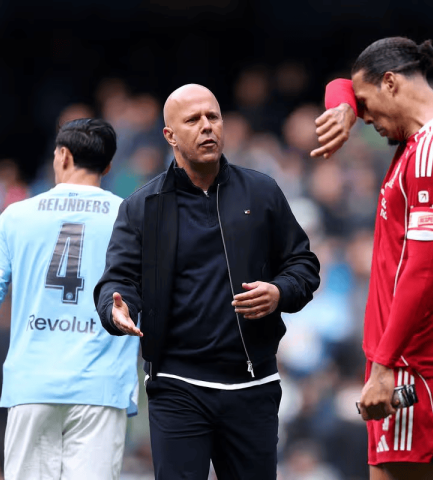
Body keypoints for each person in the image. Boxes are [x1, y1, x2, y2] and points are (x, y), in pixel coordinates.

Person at [94, 84, 320, 479]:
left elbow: (303, 265)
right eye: (193, 120)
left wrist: (279, 291)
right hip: (177, 386)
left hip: (252, 385)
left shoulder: (261, 192)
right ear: (170, 135)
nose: (207, 126)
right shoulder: (142, 207)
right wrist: (117, 309)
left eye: (213, 116)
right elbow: (119, 280)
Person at [312, 37, 433, 480]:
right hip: (406, 349)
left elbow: (423, 269)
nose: (365, 117)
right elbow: (339, 85)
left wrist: (386, 364)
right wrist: (344, 106)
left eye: (366, 105)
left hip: (416, 356)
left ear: (390, 83)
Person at [0, 118, 140, 480]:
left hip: (32, 387)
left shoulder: (16, 216)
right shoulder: (132, 217)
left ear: (62, 156)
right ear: (108, 167)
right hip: (101, 388)